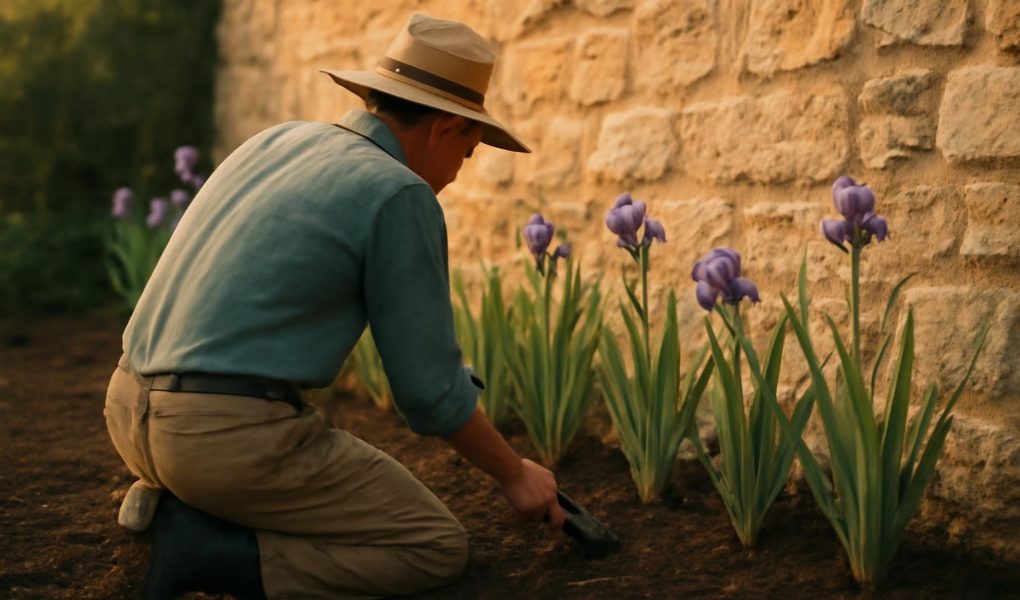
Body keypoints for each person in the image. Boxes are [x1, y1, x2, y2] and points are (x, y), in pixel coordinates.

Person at [104, 12, 564, 600]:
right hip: (219, 441)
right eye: (468, 152)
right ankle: (212, 554)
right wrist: (515, 473)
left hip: (125, 410)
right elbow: (427, 395)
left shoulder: (276, 140)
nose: (456, 175)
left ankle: (181, 499)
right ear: (445, 129)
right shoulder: (399, 192)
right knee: (434, 547)